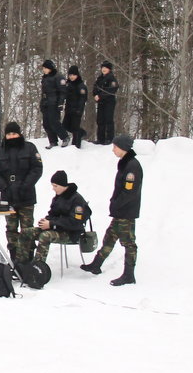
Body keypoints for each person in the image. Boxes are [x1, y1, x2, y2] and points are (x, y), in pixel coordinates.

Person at [82, 134, 142, 286]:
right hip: (120, 211)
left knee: (129, 243)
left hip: (126, 212)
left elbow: (129, 192)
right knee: (110, 237)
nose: (113, 150)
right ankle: (96, 264)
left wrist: (116, 204)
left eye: (115, 147)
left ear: (123, 148)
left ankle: (129, 275)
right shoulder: (125, 163)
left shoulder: (132, 166)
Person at [0, 121, 43, 262]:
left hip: (26, 195)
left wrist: (25, 185)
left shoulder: (30, 148)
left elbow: (37, 169)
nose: (12, 136)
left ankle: (27, 258)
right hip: (8, 197)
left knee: (27, 229)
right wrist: (4, 187)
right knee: (11, 229)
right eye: (9, 134)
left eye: (14, 133)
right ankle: (14, 258)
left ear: (19, 134)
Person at [18, 170, 90, 271]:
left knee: (45, 236)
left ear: (63, 185)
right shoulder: (58, 197)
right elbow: (53, 214)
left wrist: (52, 224)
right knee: (26, 232)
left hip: (70, 232)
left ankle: (37, 269)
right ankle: (21, 264)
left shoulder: (77, 200)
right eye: (52, 186)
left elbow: (75, 222)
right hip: (56, 228)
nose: (53, 189)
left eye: (55, 186)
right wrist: (45, 221)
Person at [39, 60, 67, 148]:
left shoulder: (58, 77)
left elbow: (62, 91)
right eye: (43, 68)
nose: (44, 70)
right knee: (46, 123)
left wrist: (60, 103)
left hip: (54, 102)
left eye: (45, 68)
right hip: (45, 102)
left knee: (54, 122)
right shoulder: (45, 77)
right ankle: (53, 141)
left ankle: (65, 137)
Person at [62, 65, 88, 149]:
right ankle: (81, 132)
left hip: (77, 110)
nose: (72, 77)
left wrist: (79, 110)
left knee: (75, 128)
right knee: (65, 126)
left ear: (77, 75)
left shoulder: (81, 85)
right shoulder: (68, 84)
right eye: (70, 75)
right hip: (68, 109)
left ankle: (76, 145)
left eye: (73, 75)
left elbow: (83, 99)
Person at [93, 61, 119, 145]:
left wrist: (100, 96)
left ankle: (109, 139)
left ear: (109, 69)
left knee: (108, 120)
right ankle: (100, 138)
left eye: (105, 68)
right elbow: (95, 87)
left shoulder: (112, 79)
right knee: (100, 120)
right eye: (102, 67)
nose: (103, 69)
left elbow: (111, 91)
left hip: (109, 102)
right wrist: (95, 95)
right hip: (101, 102)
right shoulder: (99, 78)